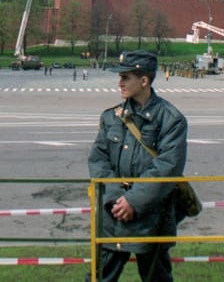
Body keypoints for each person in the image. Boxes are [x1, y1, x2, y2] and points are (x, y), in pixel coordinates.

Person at [88, 51, 188, 282]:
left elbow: (168, 166)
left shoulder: (170, 119)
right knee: (99, 277)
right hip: (114, 215)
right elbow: (98, 160)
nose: (119, 82)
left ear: (144, 81)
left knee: (156, 278)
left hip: (152, 217)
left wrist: (134, 201)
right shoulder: (112, 117)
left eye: (126, 77)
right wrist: (116, 199)